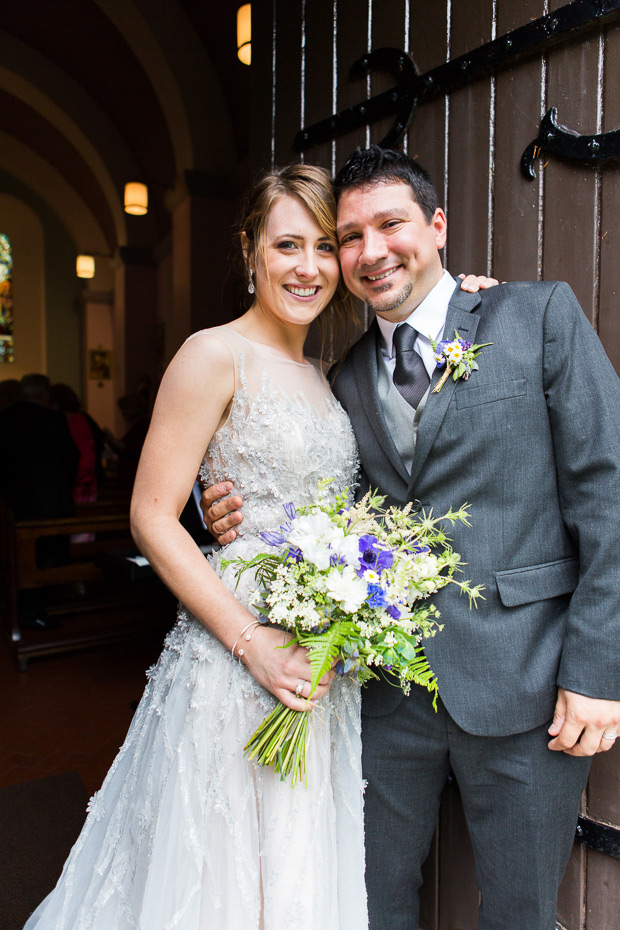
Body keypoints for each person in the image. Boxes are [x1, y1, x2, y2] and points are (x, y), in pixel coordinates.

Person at [201, 146, 620, 930]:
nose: (369, 252)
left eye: (389, 225)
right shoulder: (342, 380)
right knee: (363, 902)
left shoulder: (535, 318)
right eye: (347, 236)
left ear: (435, 226)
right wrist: (216, 504)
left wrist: (599, 671)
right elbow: (298, 489)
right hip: (384, 694)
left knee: (522, 913)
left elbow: (610, 493)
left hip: (530, 684)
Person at [23, 164, 366, 930]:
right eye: (286, 245)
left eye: (322, 246)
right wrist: (253, 643)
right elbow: (151, 515)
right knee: (217, 874)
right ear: (249, 251)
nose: (307, 267)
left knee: (294, 862)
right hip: (237, 651)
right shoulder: (212, 355)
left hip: (318, 655)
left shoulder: (325, 375)